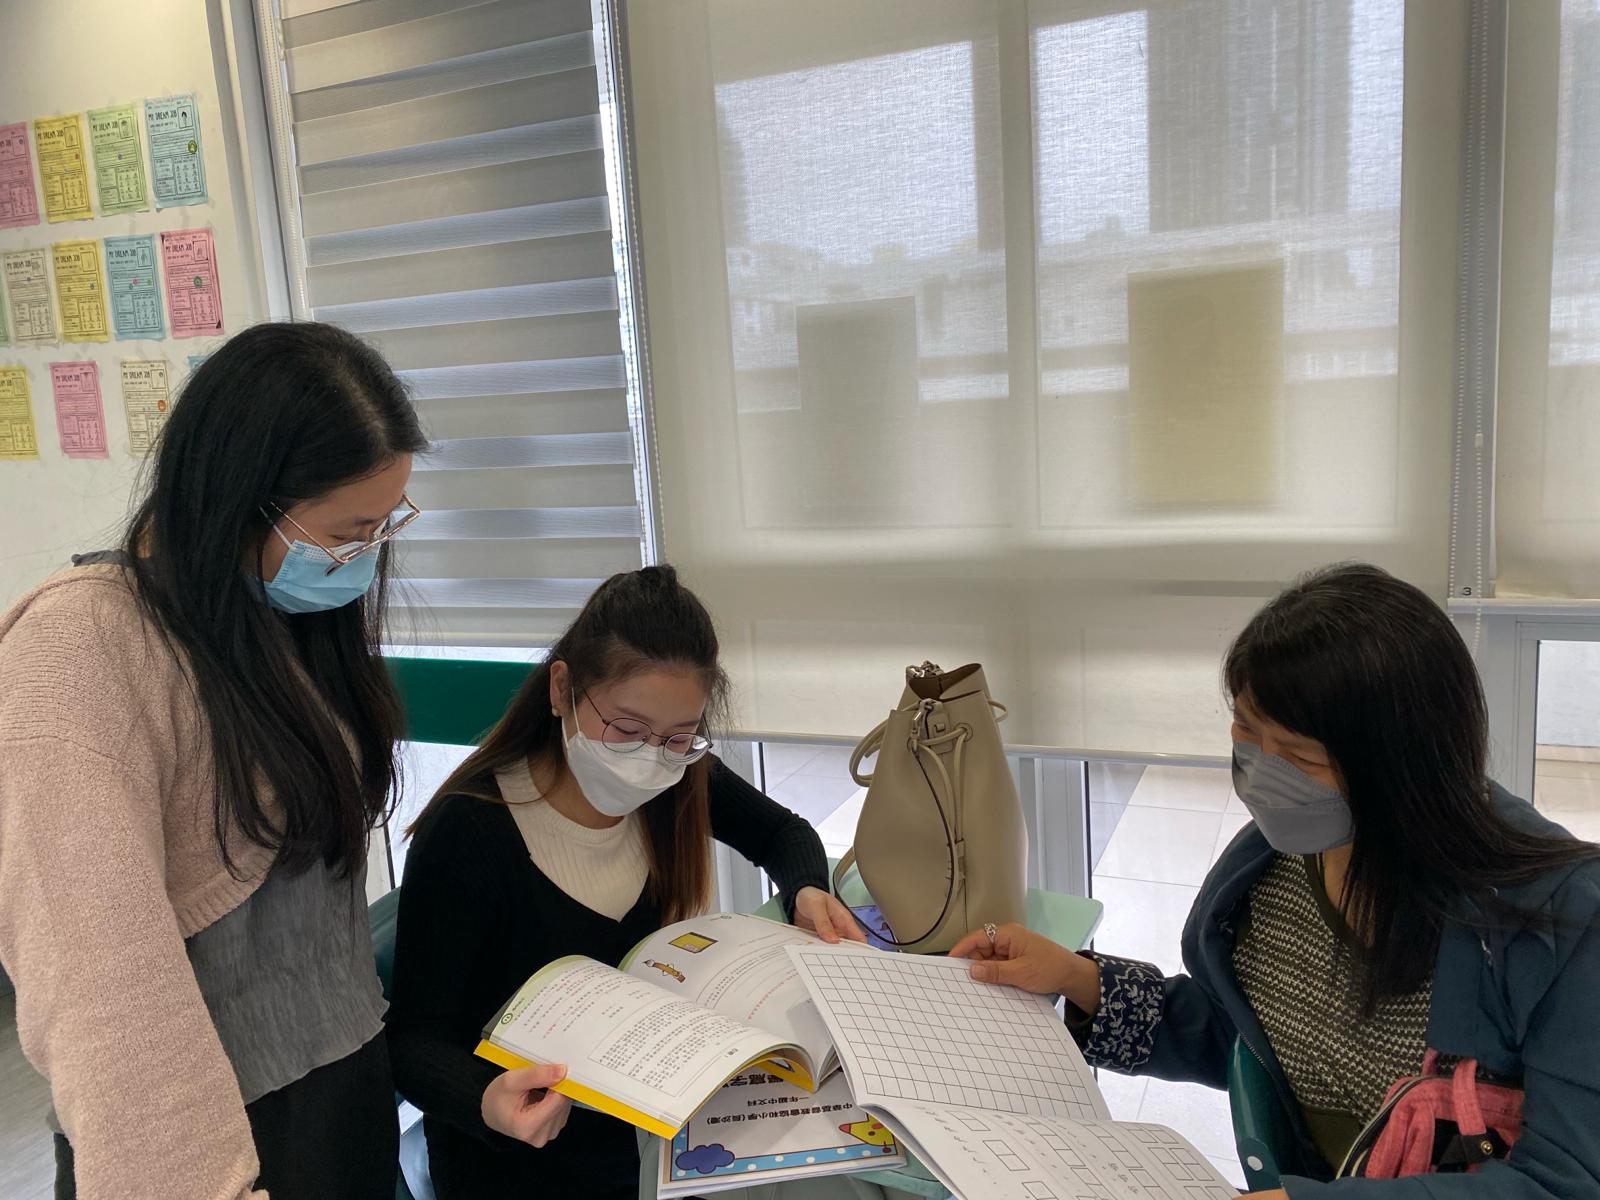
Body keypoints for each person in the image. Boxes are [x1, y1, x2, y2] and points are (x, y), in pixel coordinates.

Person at [955, 563, 1600, 1199]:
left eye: (1298, 756)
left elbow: (1564, 1180)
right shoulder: (1271, 868)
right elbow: (1247, 1042)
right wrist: (1076, 978)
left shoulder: (1559, 920)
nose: (1261, 772)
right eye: (1245, 730)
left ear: (1404, 765)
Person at [0, 322, 428, 1200]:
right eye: (350, 532)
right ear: (243, 499)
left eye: (382, 526)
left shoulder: (281, 614)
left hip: (341, 1087)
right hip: (205, 1132)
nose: (363, 556)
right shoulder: (79, 646)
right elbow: (97, 981)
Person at [387, 565, 865, 1199]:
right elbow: (414, 1040)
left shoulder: (678, 776)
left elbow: (784, 833)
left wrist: (806, 889)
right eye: (626, 730)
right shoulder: (470, 831)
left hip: (649, 1129)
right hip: (518, 1153)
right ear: (562, 689)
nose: (650, 759)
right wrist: (486, 1098)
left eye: (679, 736)